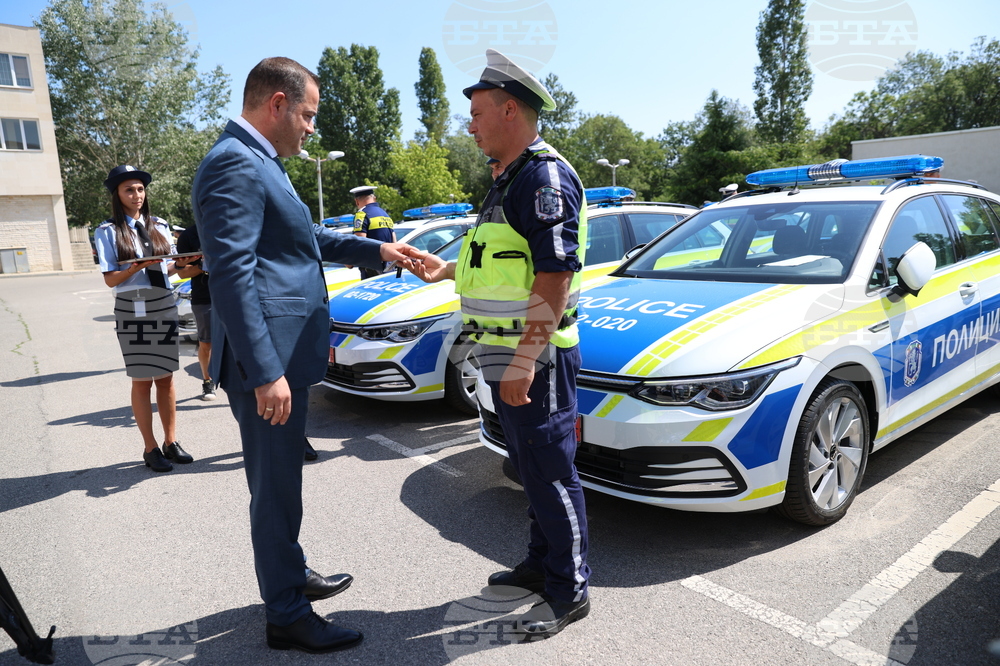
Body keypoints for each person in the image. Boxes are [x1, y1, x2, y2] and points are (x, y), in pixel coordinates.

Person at [192, 56, 416, 654]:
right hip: (267, 363)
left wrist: (377, 250)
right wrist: (266, 371)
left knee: (284, 482)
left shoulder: (259, 160)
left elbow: (303, 238)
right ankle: (286, 615)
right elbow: (231, 274)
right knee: (274, 488)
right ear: (277, 104)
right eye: (309, 115)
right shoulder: (233, 164)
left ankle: (291, 577)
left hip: (284, 355)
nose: (312, 127)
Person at [409, 49, 591, 639]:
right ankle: (542, 566)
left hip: (533, 358)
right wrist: (443, 271)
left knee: (552, 472)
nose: (470, 124)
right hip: (506, 355)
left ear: (510, 110)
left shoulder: (543, 176)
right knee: (531, 472)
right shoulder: (508, 179)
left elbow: (553, 277)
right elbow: (498, 265)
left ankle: (569, 589)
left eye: (478, 112)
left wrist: (525, 358)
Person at [94, 165, 196, 473]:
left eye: (140, 189)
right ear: (117, 195)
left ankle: (171, 441)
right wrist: (137, 267)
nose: (136, 195)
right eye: (129, 190)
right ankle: (150, 448)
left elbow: (164, 270)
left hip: (162, 304)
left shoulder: (159, 226)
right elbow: (111, 280)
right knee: (143, 381)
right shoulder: (108, 231)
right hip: (133, 308)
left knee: (165, 378)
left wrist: (183, 264)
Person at [174, 225, 215, 401]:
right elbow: (182, 272)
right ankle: (208, 382)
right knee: (206, 343)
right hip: (204, 297)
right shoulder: (188, 236)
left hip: (234, 294)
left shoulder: (231, 227)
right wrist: (205, 263)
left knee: (240, 342)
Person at [350, 185, 395, 279]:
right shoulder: (385, 214)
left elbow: (359, 242)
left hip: (372, 271)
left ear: (357, 201)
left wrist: (349, 261)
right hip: (389, 268)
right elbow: (394, 242)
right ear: (374, 198)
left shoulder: (361, 214)